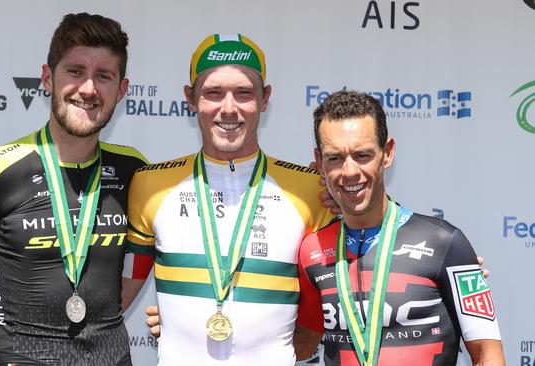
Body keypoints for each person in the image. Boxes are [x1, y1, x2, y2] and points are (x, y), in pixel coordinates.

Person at [0, 13, 151, 365]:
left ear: (121, 90)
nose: (88, 88)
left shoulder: (135, 170)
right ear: (48, 78)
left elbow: (141, 265)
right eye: (75, 71)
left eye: (103, 76)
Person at [122, 33, 334, 365]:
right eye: (213, 93)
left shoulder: (311, 190)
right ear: (190, 99)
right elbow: (117, 296)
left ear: (265, 99)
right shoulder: (150, 184)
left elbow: (325, 313)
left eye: (244, 93)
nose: (229, 108)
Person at [296, 90, 505, 365]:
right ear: (319, 161)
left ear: (387, 153)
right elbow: (301, 347)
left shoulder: (446, 243)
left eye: (362, 155)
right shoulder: (312, 250)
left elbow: (489, 355)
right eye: (335, 158)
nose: (349, 172)